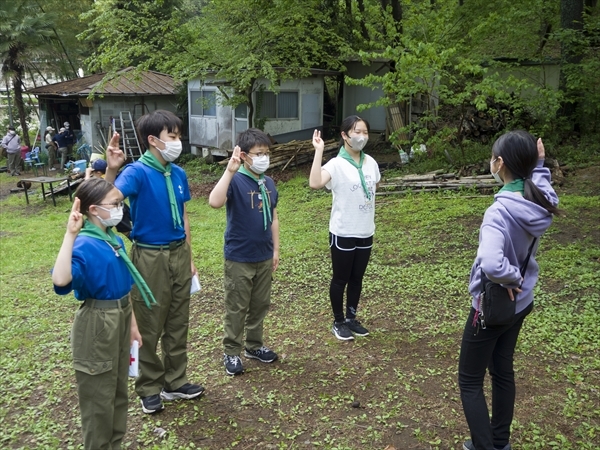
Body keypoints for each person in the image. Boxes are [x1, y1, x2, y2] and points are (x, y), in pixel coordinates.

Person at [458, 131, 560, 450]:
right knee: (502, 370)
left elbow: (490, 262)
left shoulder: (498, 213)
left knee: (470, 381)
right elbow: (547, 190)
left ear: (499, 163)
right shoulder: (539, 201)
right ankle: (499, 441)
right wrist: (540, 164)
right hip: (520, 304)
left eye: (492, 157)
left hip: (492, 307)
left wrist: (510, 277)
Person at [104, 109, 204, 414]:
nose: (178, 142)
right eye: (172, 137)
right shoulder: (137, 172)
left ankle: (175, 381)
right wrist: (110, 170)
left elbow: (183, 215)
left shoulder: (178, 173)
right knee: (149, 323)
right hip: (150, 256)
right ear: (153, 140)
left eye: (179, 136)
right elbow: (105, 200)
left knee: (178, 320)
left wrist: (189, 255)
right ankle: (149, 387)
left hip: (178, 252)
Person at [52, 178, 146, 450]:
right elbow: (61, 280)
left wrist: (133, 326)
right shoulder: (83, 244)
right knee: (98, 400)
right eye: (115, 204)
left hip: (120, 316)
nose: (120, 208)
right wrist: (70, 234)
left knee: (118, 392)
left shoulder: (113, 239)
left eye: (120, 203)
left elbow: (124, 289)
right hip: (97, 323)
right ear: (93, 210)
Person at [208, 128, 280, 376]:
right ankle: (231, 351)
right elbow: (214, 202)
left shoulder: (268, 182)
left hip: (263, 254)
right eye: (259, 153)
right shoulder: (235, 179)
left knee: (260, 304)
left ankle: (254, 345)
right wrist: (229, 171)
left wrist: (275, 248)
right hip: (239, 256)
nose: (264, 158)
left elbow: (274, 216)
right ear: (245, 155)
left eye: (267, 153)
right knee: (237, 306)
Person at [309, 116, 380, 341]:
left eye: (365, 132)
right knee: (341, 278)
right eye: (356, 132)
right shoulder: (336, 165)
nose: (361, 136)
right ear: (344, 135)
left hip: (365, 231)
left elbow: (374, 184)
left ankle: (351, 318)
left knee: (357, 278)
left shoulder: (371, 162)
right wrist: (318, 151)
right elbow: (315, 182)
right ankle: (338, 321)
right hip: (343, 232)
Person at [86, 159, 133, 240]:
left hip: (112, 210)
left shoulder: (100, 183)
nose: (92, 174)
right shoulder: (111, 178)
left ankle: (139, 242)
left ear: (98, 173)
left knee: (127, 231)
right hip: (119, 207)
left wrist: (87, 174)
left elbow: (87, 187)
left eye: (93, 172)